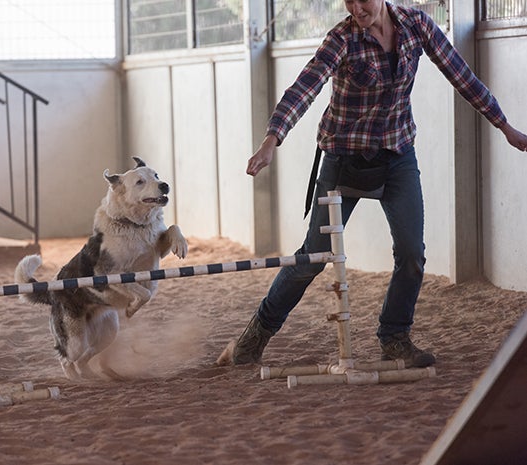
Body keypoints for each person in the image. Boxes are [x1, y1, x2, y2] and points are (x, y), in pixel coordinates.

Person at [217, 0, 527, 368]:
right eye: (348, 0)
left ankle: (394, 337)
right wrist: (272, 139)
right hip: (342, 160)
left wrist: (504, 125)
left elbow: (462, 77)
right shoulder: (342, 39)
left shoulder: (417, 26)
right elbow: (304, 89)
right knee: (312, 258)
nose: (356, 8)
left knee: (412, 254)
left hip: (397, 155)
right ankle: (256, 334)